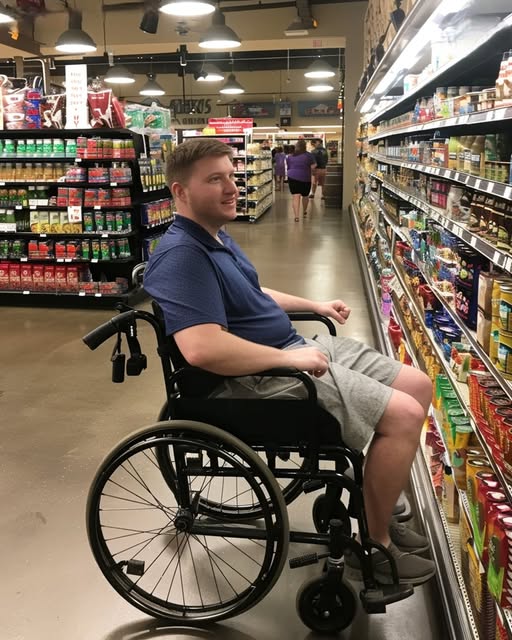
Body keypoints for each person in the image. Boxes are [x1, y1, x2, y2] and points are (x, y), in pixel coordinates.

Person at [143, 138, 436, 587]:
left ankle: (374, 504)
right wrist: (290, 358)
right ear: (180, 192)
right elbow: (202, 349)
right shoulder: (182, 256)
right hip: (258, 378)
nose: (231, 187)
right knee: (405, 416)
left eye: (230, 175)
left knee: (418, 385)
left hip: (290, 349)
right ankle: (374, 547)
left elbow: (253, 293)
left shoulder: (214, 236)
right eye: (215, 179)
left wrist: (314, 305)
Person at [286, 139, 316, 222]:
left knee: (296, 196)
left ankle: (296, 216)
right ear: (305, 147)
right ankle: (304, 211)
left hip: (292, 177)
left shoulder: (290, 156)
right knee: (305, 195)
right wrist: (307, 167)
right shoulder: (309, 155)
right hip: (305, 177)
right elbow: (314, 165)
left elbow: (289, 167)